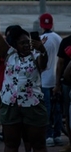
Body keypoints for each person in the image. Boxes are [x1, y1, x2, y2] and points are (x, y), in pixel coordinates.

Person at [0, 0, 49, 152]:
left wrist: (43, 50)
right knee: (10, 145)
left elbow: (43, 64)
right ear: (15, 45)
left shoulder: (35, 55)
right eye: (22, 43)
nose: (26, 45)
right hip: (10, 105)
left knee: (38, 145)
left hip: (33, 105)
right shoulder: (9, 54)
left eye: (28, 42)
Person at [38, 13, 64, 147]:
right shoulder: (58, 38)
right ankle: (57, 134)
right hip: (56, 78)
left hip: (43, 79)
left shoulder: (40, 40)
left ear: (40, 24)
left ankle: (48, 135)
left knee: (46, 109)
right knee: (57, 108)